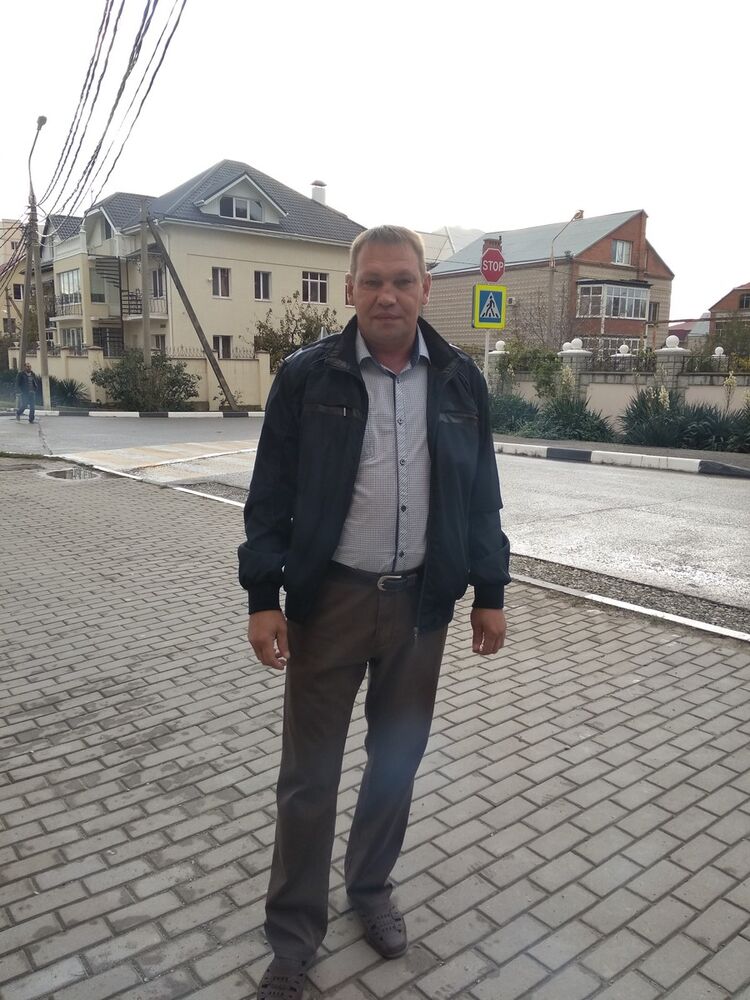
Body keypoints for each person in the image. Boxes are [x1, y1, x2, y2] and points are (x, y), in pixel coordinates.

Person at [238, 225, 511, 1000]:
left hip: (422, 606)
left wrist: (491, 591)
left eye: (402, 280)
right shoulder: (307, 376)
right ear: (351, 288)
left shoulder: (459, 380)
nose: (387, 296)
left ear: (426, 287)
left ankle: (370, 889)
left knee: (395, 764)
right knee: (308, 780)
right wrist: (263, 599)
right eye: (373, 281)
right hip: (329, 603)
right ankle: (293, 938)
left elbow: (481, 494)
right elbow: (270, 496)